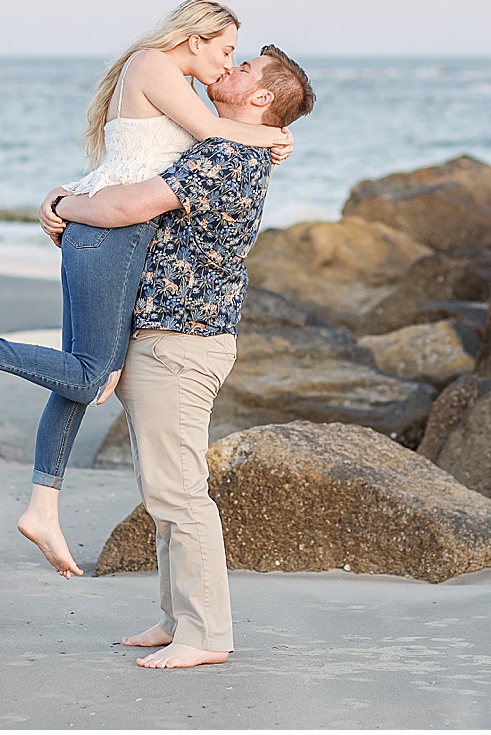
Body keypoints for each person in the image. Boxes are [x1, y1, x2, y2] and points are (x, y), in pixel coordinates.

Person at [0, 0, 291, 565]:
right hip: (110, 240)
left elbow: (145, 159)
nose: (227, 65)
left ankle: (42, 505)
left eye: (238, 59)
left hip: (104, 239)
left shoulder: (162, 77)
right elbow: (203, 137)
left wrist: (61, 197)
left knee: (83, 374)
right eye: (226, 50)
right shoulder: (155, 64)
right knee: (89, 375)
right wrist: (275, 136)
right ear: (195, 38)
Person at [39, 45, 315, 668]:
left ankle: (207, 635)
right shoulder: (232, 141)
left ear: (262, 97)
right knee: (162, 487)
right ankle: (176, 618)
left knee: (180, 494)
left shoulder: (228, 152)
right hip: (167, 333)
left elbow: (128, 207)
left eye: (244, 68)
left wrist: (63, 209)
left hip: (182, 340)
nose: (231, 68)